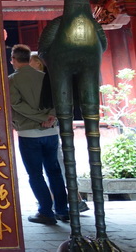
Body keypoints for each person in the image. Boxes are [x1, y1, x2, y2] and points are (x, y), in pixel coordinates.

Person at [8, 44, 69, 225]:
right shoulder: (46, 77)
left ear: (13, 60)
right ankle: (63, 210)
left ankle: (45, 212)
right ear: (28, 58)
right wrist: (50, 116)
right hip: (51, 131)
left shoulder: (11, 80)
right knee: (55, 172)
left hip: (28, 133)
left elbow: (16, 104)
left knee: (35, 174)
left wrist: (41, 117)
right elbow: (60, 99)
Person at [30, 52, 90, 214]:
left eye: (31, 62)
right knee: (54, 165)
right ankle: (63, 200)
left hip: (49, 127)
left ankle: (73, 200)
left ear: (38, 63)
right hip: (49, 127)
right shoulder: (44, 79)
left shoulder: (45, 80)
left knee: (56, 164)